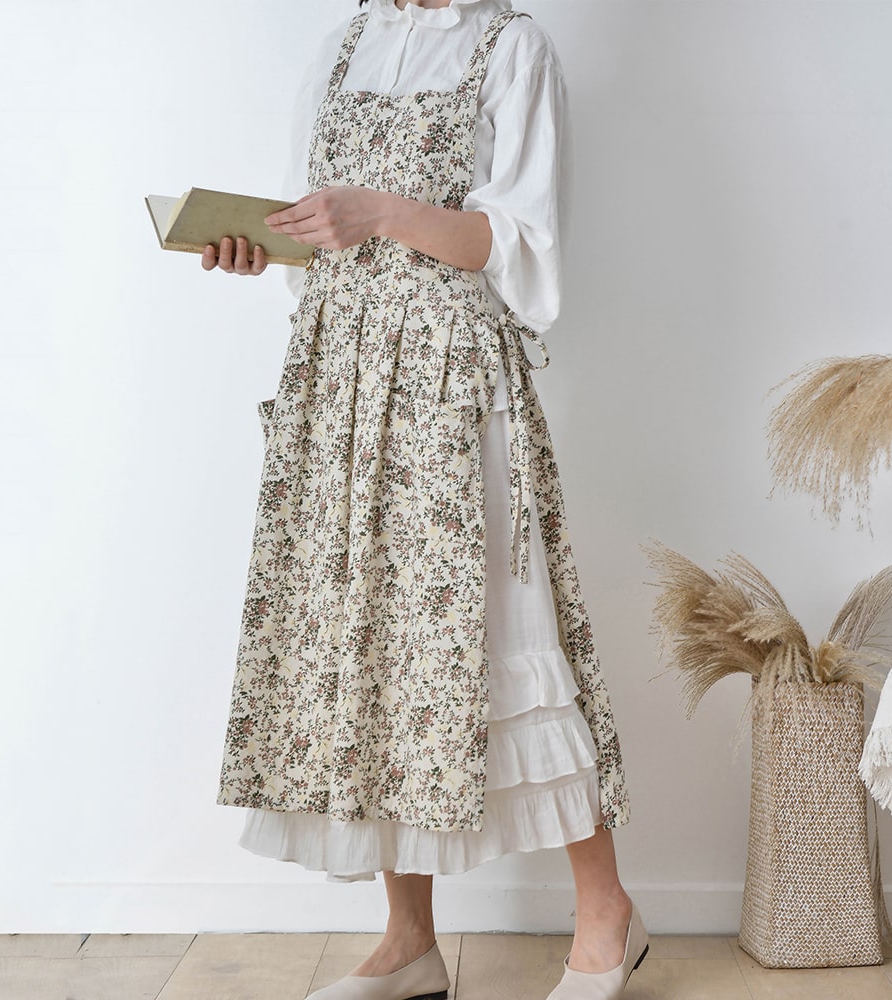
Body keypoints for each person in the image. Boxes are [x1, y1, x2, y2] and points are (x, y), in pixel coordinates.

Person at [203, 1, 647, 997]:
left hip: (451, 378)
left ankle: (606, 912)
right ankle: (408, 940)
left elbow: (522, 244)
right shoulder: (343, 46)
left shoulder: (510, 47)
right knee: (374, 642)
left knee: (509, 628)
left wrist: (383, 212)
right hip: (342, 377)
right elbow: (316, 235)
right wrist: (261, 243)